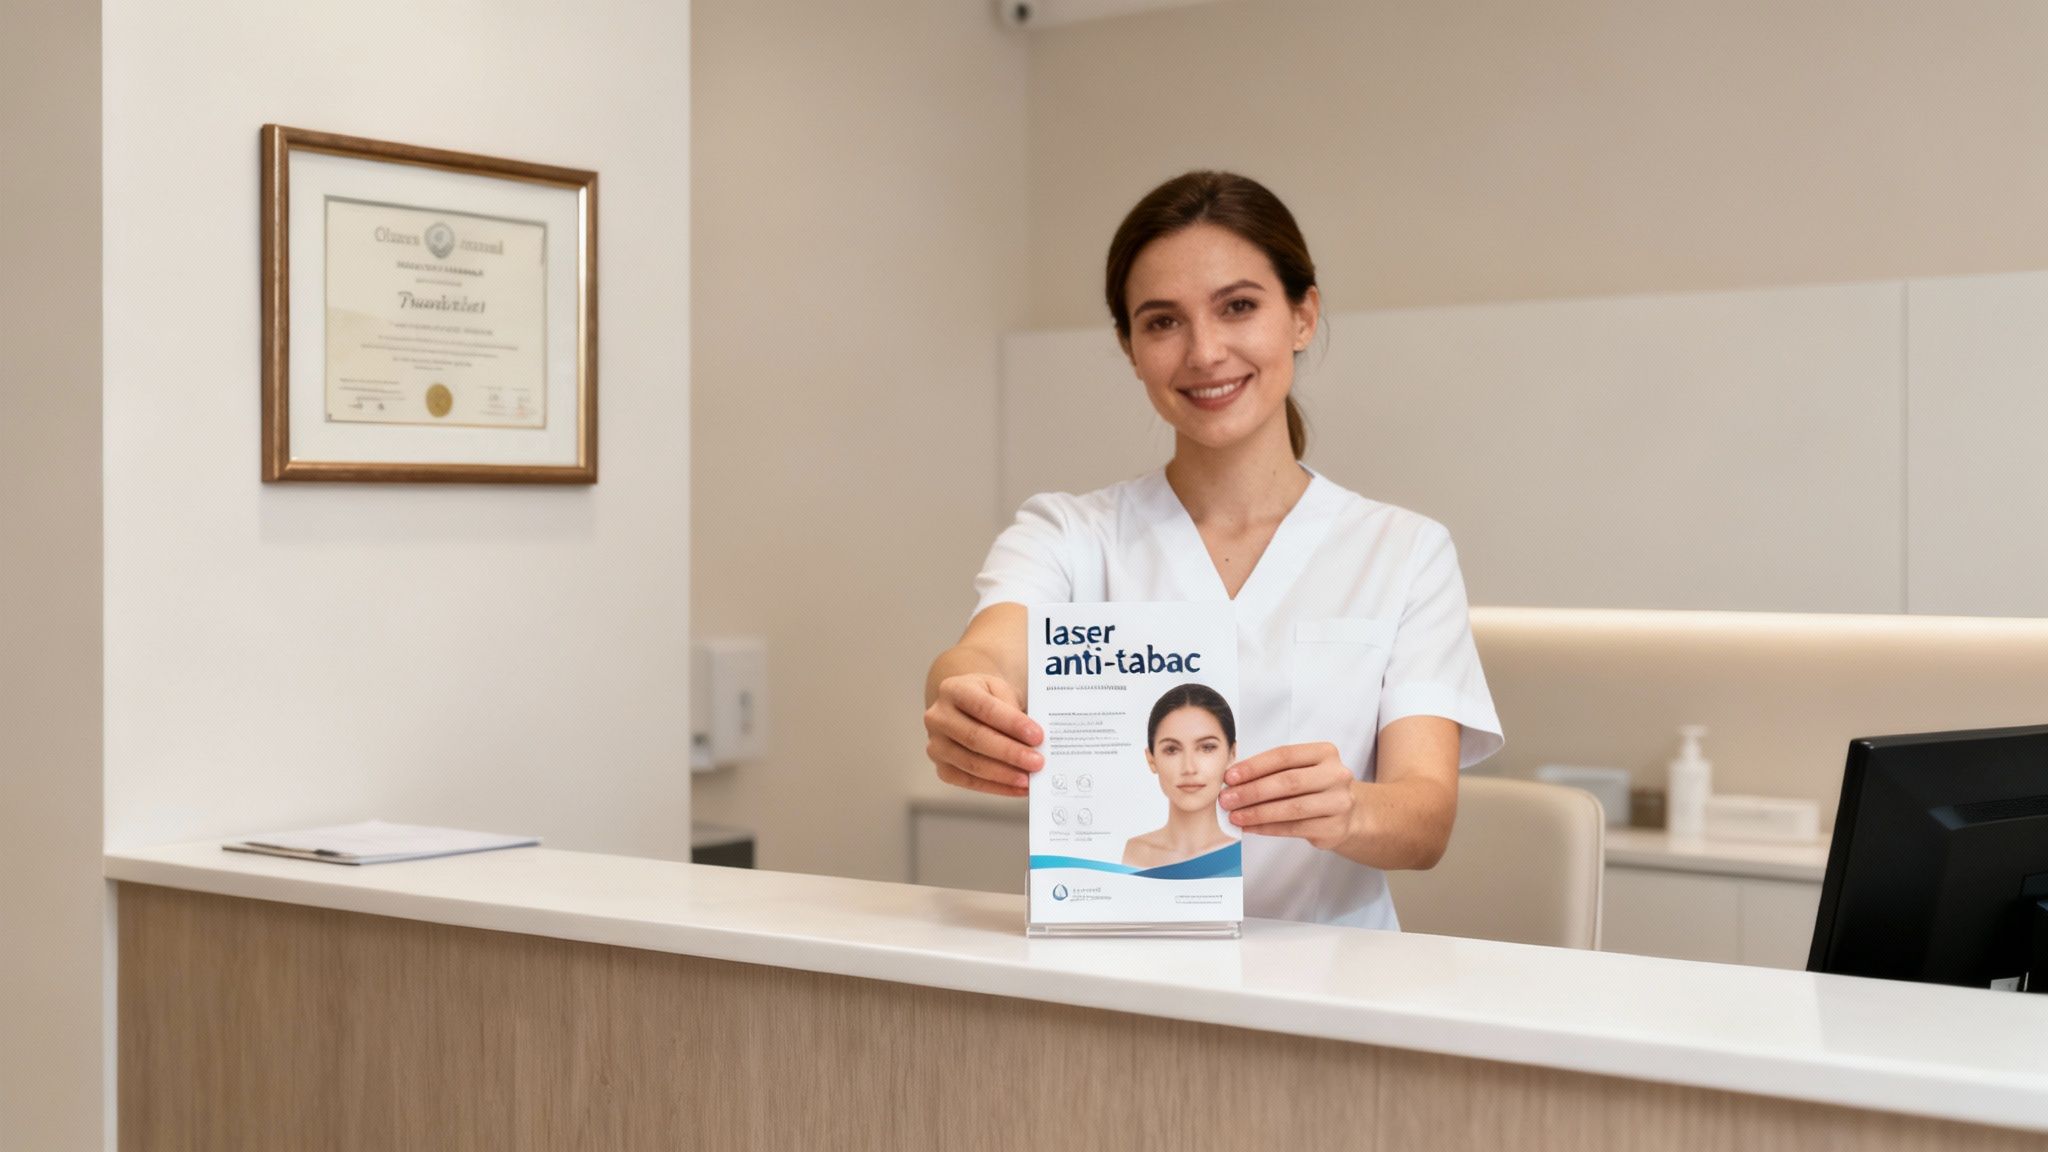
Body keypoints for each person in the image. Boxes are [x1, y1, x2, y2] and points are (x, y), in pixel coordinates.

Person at [922, 170, 1503, 929]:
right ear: (1131, 348)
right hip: (1116, 980)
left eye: (1238, 307)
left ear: (1302, 315)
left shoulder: (1404, 551)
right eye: (1162, 322)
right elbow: (985, 655)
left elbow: (1425, 819)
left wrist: (1349, 809)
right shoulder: (1070, 533)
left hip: (1329, 994)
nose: (1204, 351)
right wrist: (965, 698)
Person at [1123, 683, 1240, 870]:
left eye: (1207, 747)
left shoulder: (1244, 857)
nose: (1189, 768)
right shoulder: (1135, 852)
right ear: (1151, 759)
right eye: (1172, 749)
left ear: (1231, 754)